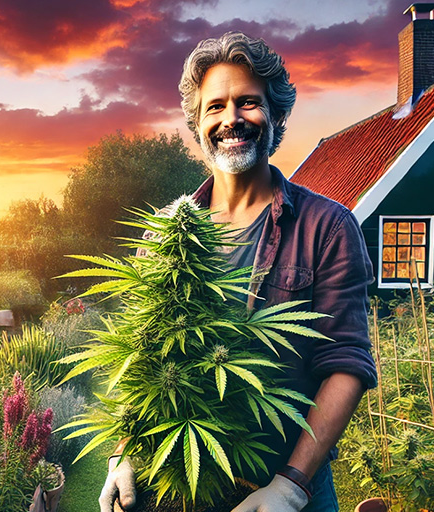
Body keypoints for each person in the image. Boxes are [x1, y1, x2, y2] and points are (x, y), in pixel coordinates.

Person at [99, 32, 378, 512]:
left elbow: (347, 366)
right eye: (216, 106)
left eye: (249, 102)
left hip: (283, 486)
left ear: (276, 115)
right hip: (178, 487)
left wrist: (291, 485)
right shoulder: (166, 233)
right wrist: (122, 456)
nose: (232, 119)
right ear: (197, 122)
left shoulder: (326, 226)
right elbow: (141, 362)